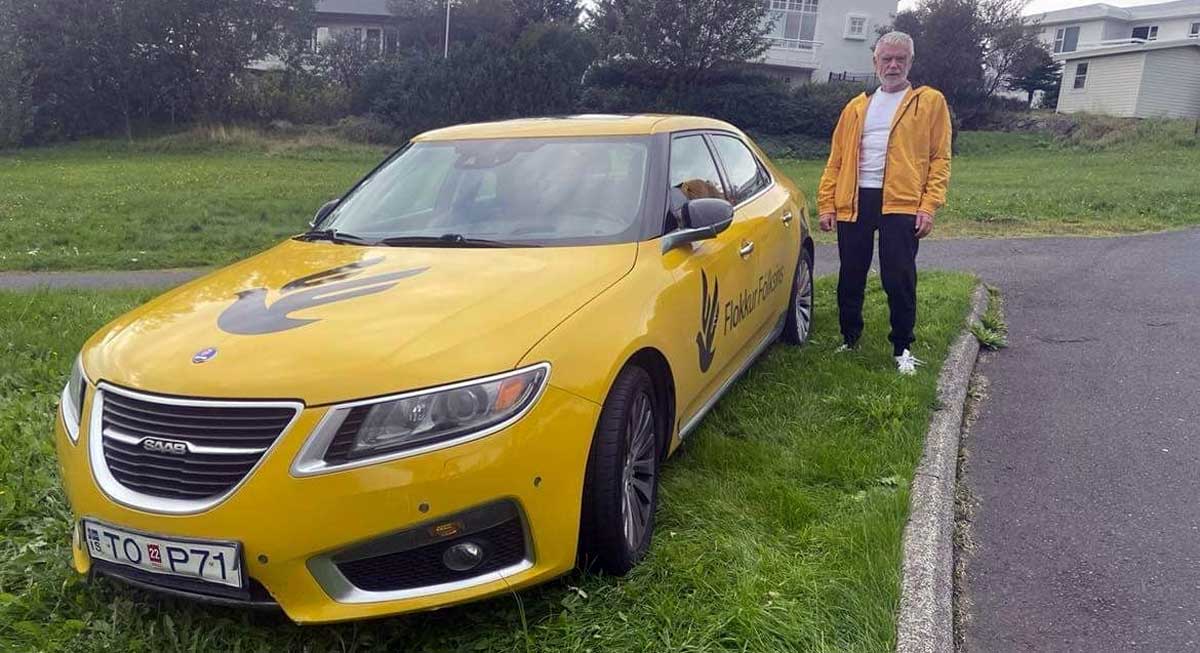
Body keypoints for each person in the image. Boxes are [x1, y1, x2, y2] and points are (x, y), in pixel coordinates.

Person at [816, 31, 952, 376]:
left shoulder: (929, 102)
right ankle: (849, 338)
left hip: (902, 202)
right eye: (886, 59)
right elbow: (837, 159)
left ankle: (903, 347)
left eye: (900, 60)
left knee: (899, 276)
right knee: (851, 272)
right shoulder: (856, 106)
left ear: (910, 62)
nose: (893, 65)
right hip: (856, 197)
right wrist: (827, 203)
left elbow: (940, 158)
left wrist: (928, 205)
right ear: (875, 62)